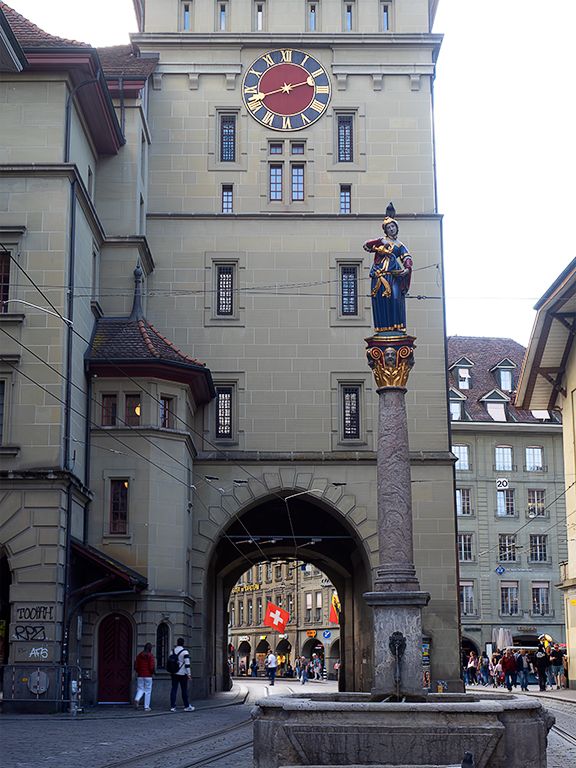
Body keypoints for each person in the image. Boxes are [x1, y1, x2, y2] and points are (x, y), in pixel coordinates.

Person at [363, 203, 413, 335]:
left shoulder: (399, 244)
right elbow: (366, 246)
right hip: (379, 275)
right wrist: (380, 242)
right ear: (385, 230)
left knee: (396, 298)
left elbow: (407, 257)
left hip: (394, 276)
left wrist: (407, 268)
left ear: (397, 228)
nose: (391, 229)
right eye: (389, 227)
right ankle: (383, 327)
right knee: (380, 301)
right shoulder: (382, 241)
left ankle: (397, 326)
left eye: (393, 226)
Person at [170, 637, 195, 712]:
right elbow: (187, 664)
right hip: (183, 673)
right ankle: (186, 706)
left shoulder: (172, 651)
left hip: (174, 673)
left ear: (177, 643)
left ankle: (172, 706)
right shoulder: (185, 652)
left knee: (174, 689)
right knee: (184, 690)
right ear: (183, 643)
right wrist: (189, 674)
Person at [134, 642, 155, 712]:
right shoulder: (150, 656)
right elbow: (151, 666)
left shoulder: (139, 655)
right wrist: (151, 672)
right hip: (148, 675)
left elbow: (136, 665)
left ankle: (137, 698)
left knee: (140, 689)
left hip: (140, 675)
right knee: (148, 691)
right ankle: (146, 707)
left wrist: (138, 671)